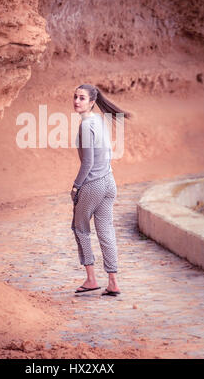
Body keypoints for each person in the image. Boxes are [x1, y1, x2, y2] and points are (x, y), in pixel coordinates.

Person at [70, 84, 132, 297]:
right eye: (75, 97)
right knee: (106, 231)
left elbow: (87, 163)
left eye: (82, 98)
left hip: (92, 184)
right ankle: (113, 282)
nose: (77, 101)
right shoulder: (100, 120)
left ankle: (91, 279)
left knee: (80, 228)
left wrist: (76, 186)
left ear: (92, 102)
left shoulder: (86, 126)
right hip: (109, 182)